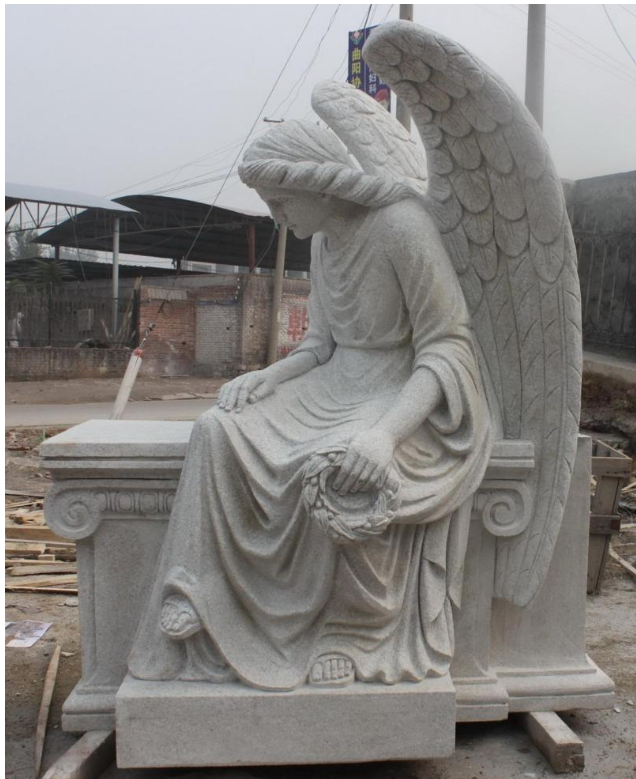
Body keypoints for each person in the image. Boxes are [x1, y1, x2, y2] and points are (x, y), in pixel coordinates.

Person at [128, 120, 492, 691]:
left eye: (280, 201)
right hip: (331, 384)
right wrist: (270, 376)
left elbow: (448, 343)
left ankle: (350, 631)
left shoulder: (401, 226)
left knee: (335, 463)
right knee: (216, 430)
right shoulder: (323, 241)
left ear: (320, 185)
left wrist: (387, 434)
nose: (277, 217)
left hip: (398, 390)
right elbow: (320, 344)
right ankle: (202, 594)